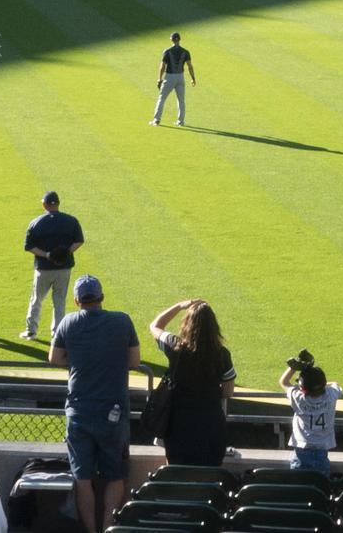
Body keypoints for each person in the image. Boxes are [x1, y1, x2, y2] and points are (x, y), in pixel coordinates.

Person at [50, 276, 138, 533]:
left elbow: (55, 358)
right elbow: (135, 361)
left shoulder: (69, 321)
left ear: (77, 300)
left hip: (79, 411)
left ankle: (91, 531)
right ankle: (109, 527)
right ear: (102, 297)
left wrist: (79, 358)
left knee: (82, 477)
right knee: (116, 474)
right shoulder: (122, 320)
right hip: (114, 410)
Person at [148, 299, 235, 466]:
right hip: (211, 425)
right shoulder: (222, 354)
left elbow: (155, 326)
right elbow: (228, 391)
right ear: (214, 326)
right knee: (208, 478)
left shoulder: (175, 346)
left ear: (187, 323)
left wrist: (180, 306)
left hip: (178, 425)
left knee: (177, 476)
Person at [21, 192, 84, 341]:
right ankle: (57, 334)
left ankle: (31, 331)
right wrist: (66, 252)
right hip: (64, 268)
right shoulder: (71, 220)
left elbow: (29, 247)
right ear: (58, 204)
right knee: (59, 302)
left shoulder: (36, 222)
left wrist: (48, 255)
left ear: (45, 204)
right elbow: (79, 241)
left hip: (43, 269)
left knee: (36, 300)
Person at [280, 352, 340, 472]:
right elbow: (334, 384)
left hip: (300, 452)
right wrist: (320, 385)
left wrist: (293, 368)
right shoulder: (331, 394)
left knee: (299, 487)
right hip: (322, 452)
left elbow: (284, 382)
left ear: (302, 389)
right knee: (320, 486)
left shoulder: (299, 398)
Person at [151, 32, 195, 127]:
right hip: (180, 77)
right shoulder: (185, 52)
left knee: (162, 98)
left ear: (171, 39)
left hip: (170, 77)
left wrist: (159, 79)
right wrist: (193, 78)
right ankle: (180, 121)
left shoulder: (167, 51)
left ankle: (156, 120)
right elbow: (190, 66)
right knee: (181, 100)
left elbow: (162, 66)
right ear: (179, 39)